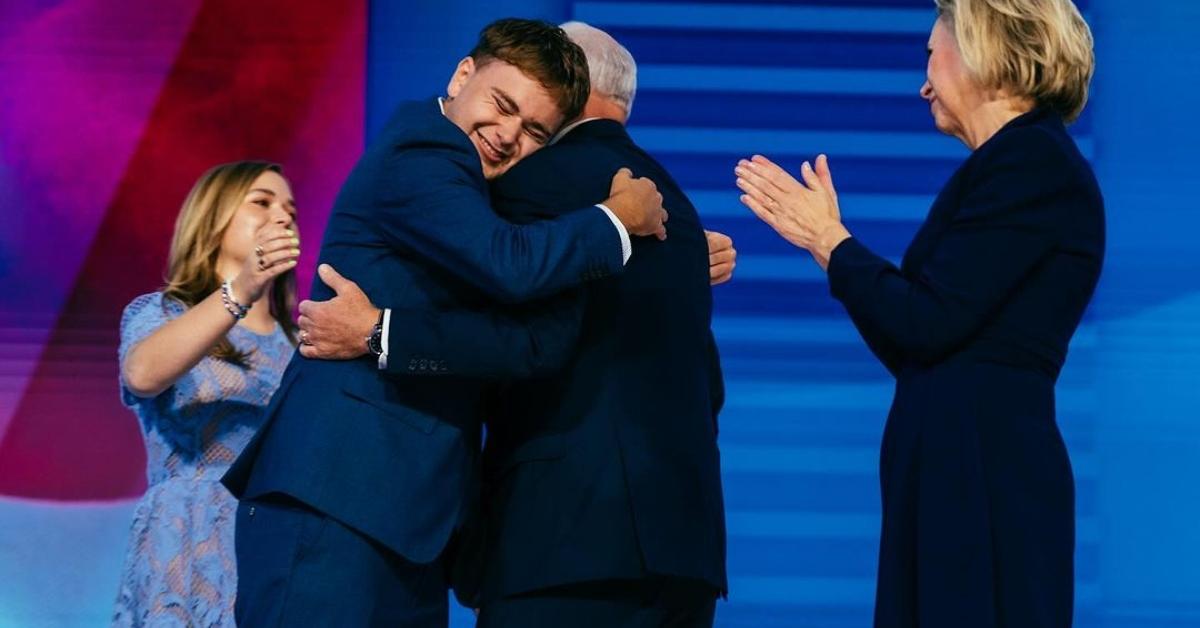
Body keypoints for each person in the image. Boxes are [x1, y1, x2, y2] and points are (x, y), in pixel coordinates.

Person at [221, 19, 667, 627]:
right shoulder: (424, 149)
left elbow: (514, 334)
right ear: (463, 75)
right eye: (502, 105)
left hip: (410, 525)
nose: (508, 135)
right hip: (335, 500)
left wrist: (676, 263)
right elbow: (507, 264)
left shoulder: (480, 194)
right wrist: (616, 221)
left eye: (535, 130)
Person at [735, 1, 1102, 626]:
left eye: (932, 55)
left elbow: (924, 322)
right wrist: (831, 248)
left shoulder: (1031, 163)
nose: (924, 82)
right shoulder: (1007, 166)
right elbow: (914, 343)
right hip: (957, 469)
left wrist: (830, 241)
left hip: (984, 480)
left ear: (984, 50)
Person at [112, 161, 301, 627]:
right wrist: (240, 290)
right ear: (212, 219)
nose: (282, 217)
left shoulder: (303, 345)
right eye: (261, 202)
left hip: (277, 547)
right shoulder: (162, 312)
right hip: (189, 540)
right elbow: (142, 374)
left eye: (291, 211)